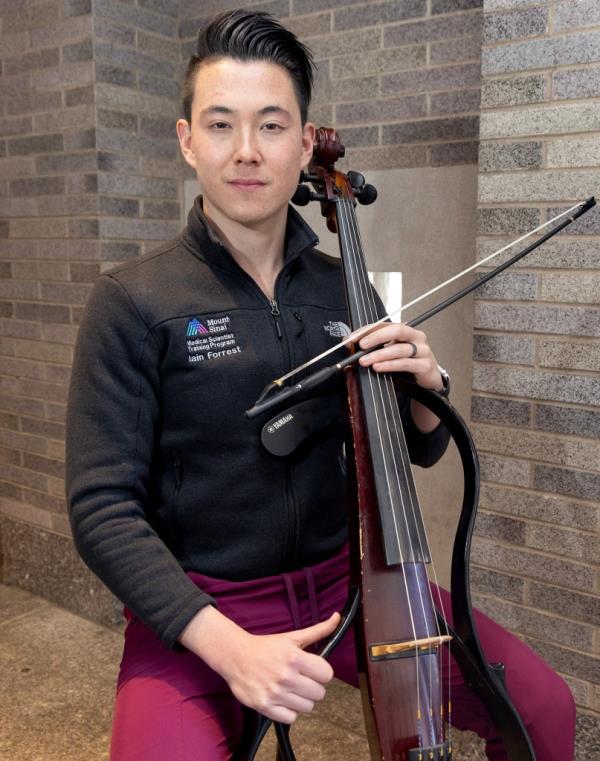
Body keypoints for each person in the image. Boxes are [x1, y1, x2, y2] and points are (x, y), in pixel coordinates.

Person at [66, 10, 575, 761]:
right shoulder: (134, 300)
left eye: (271, 126)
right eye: (220, 125)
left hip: (354, 584)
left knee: (541, 705)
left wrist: (427, 388)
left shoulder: (345, 287)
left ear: (306, 143)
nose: (246, 151)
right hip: (205, 603)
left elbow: (411, 451)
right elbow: (101, 508)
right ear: (186, 142)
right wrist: (229, 647)